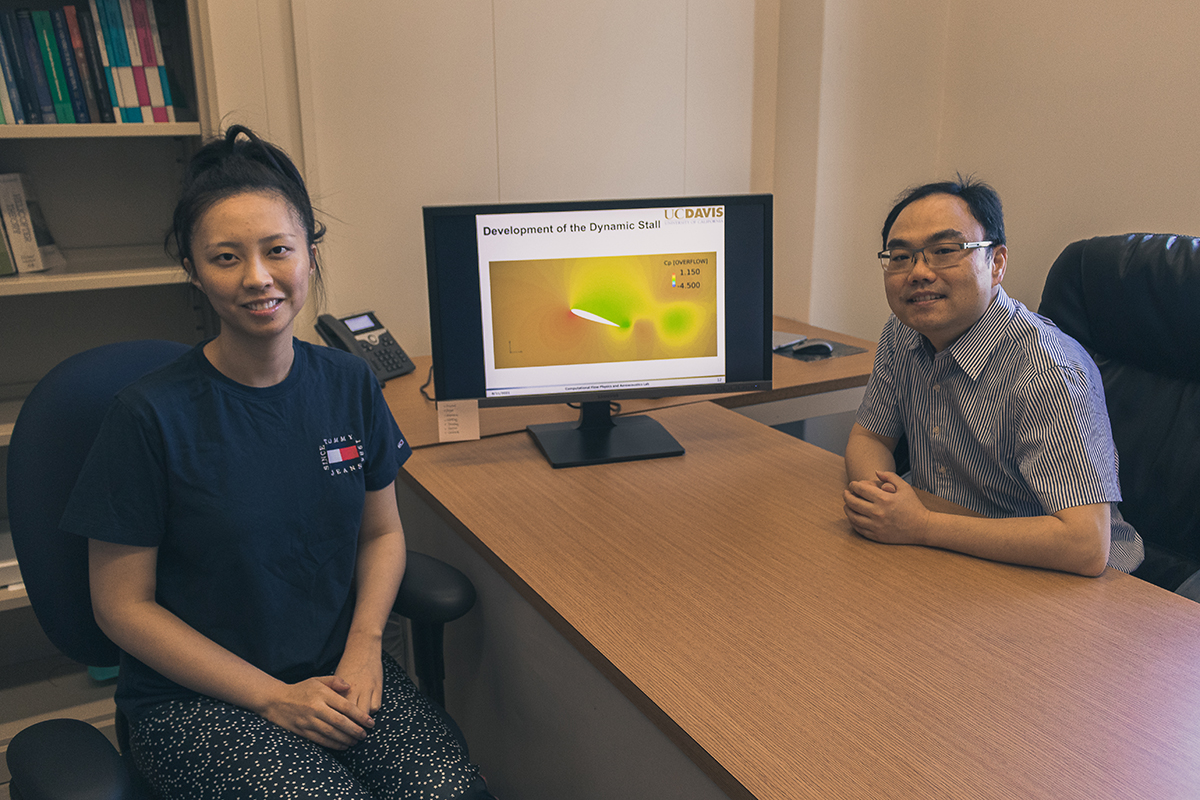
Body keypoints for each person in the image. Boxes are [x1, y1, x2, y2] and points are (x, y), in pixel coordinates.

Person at [60, 126, 493, 799]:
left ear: (310, 257)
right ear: (195, 272)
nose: (257, 278)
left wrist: (366, 643)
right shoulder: (147, 417)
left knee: (448, 790)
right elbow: (122, 607)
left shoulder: (349, 383)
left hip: (338, 671)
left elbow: (381, 534)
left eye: (278, 250)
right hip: (197, 701)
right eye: (227, 257)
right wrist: (270, 698)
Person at [843, 176, 1143, 578]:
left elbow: (1085, 544)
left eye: (944, 251)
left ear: (996, 263)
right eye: (900, 257)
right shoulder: (904, 333)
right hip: (949, 552)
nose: (918, 272)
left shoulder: (1047, 369)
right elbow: (869, 438)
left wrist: (921, 525)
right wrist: (885, 505)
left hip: (1064, 581)